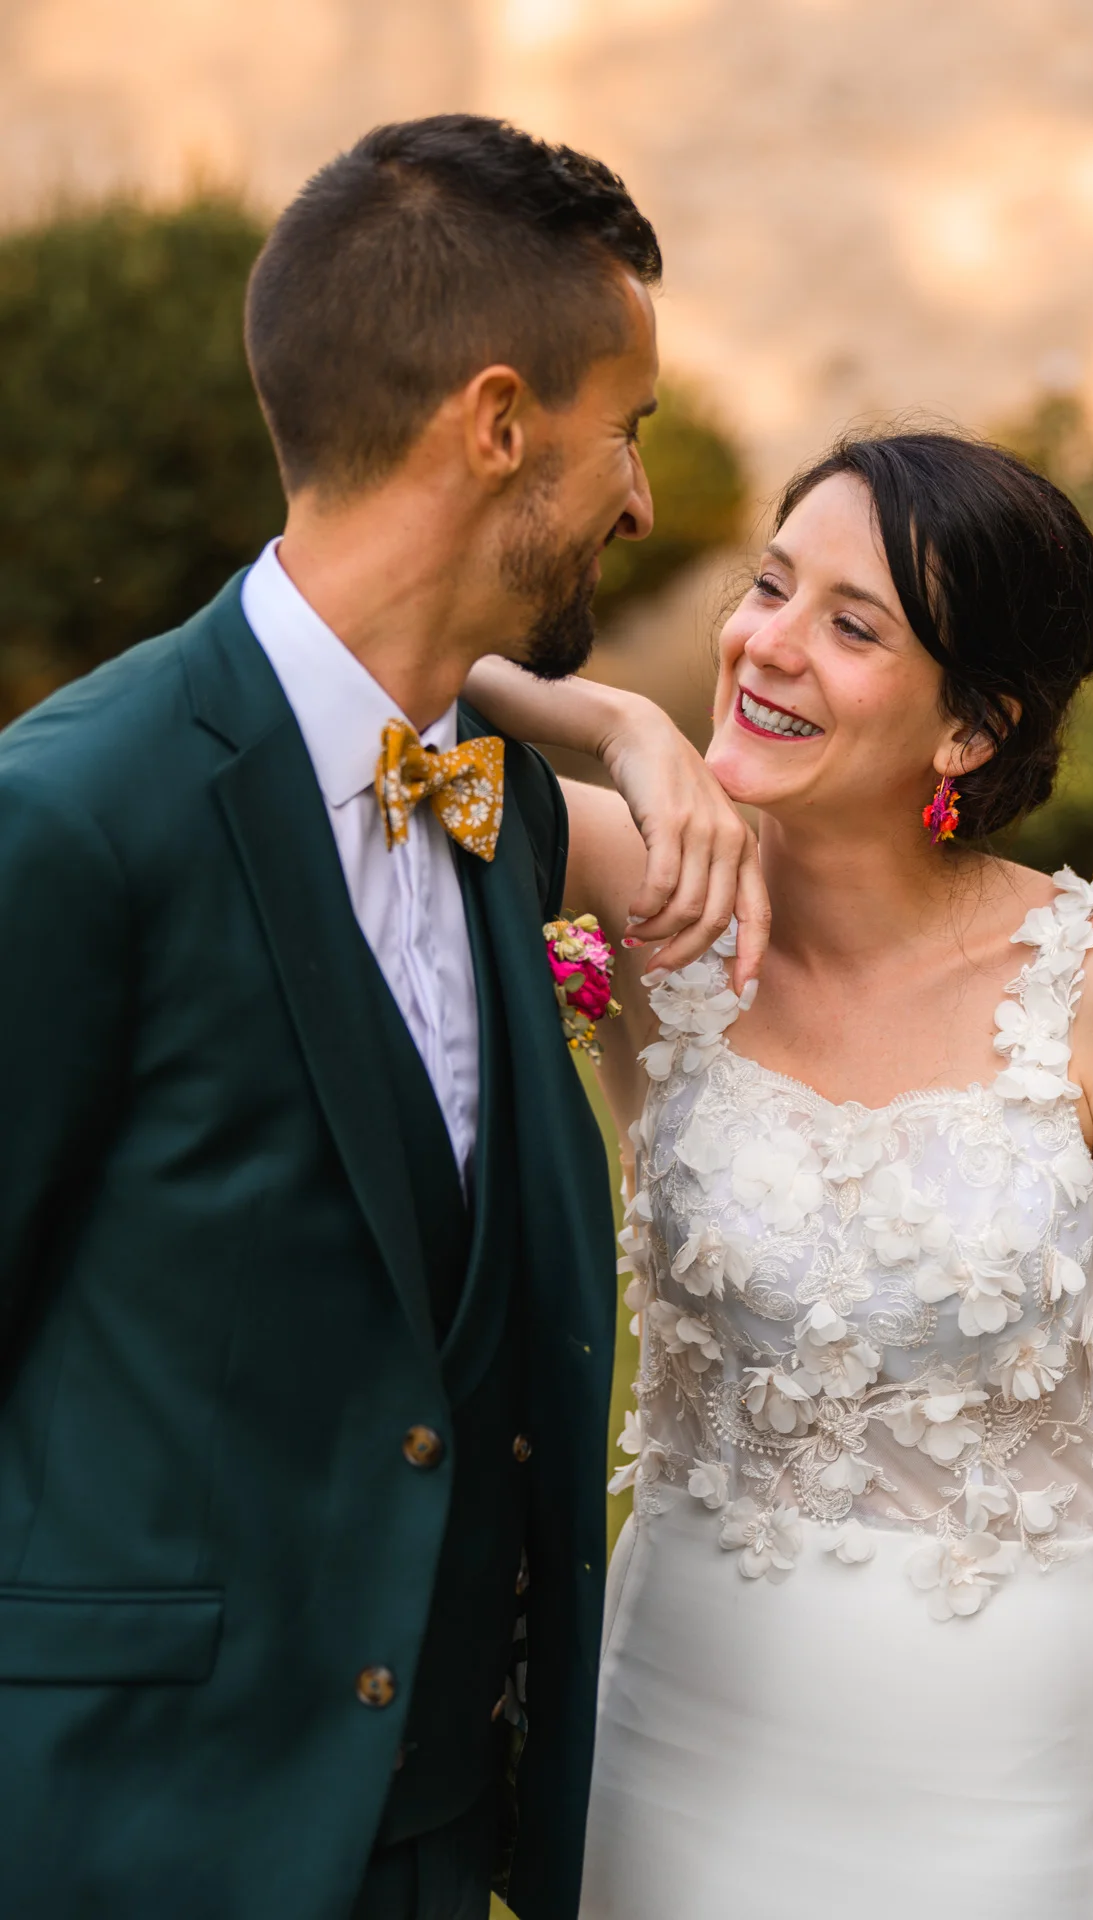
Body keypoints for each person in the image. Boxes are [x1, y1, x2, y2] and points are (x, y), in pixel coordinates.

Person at [0, 116, 768, 1920]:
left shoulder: (490, 789)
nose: (643, 504)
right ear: (500, 425)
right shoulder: (73, 818)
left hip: (427, 1839)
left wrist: (624, 729)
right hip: (129, 1830)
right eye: (628, 432)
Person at [469, 431, 1093, 1919]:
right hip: (678, 1712)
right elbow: (383, 715)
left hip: (1000, 1748)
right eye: (768, 586)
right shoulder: (646, 899)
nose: (766, 646)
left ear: (969, 730)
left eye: (852, 627)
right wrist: (623, 729)